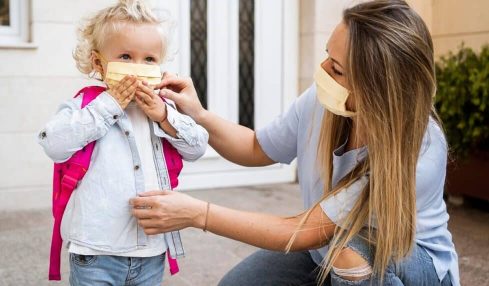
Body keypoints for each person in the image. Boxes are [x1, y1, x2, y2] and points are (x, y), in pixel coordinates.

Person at [130, 0, 459, 285]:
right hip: (328, 247)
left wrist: (197, 214)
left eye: (338, 69)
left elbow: (303, 231)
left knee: (352, 255)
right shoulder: (325, 100)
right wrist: (198, 113)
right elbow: (257, 148)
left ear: (378, 91)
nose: (323, 70)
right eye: (327, 55)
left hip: (409, 263)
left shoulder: (419, 150)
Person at [38, 0, 208, 285]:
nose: (137, 68)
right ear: (98, 63)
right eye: (126, 57)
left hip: (151, 252)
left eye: (149, 60)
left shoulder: (163, 108)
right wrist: (109, 104)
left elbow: (197, 148)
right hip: (95, 252)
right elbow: (53, 144)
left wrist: (165, 116)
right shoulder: (86, 105)